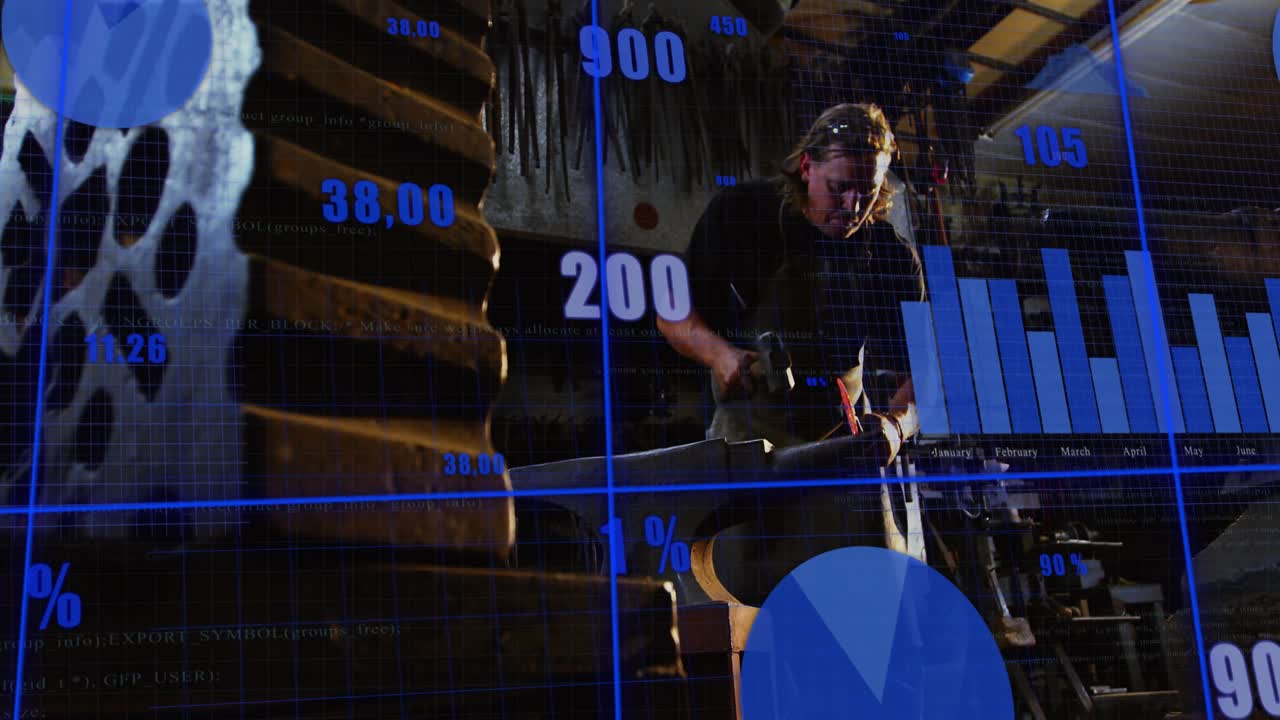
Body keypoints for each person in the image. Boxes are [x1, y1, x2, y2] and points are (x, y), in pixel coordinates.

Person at [657, 103, 925, 466]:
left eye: (869, 192)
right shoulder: (743, 213)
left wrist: (896, 425)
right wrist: (719, 355)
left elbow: (925, 372)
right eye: (840, 187)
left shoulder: (891, 256)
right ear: (806, 168)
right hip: (747, 445)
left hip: (843, 448)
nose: (853, 206)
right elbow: (672, 312)